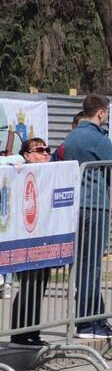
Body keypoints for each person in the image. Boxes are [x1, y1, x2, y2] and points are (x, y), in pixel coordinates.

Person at [61, 93, 112, 339]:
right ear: (101, 113)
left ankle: (92, 318)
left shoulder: (71, 136)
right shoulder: (98, 138)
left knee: (82, 264)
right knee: (92, 265)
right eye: (107, 113)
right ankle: (89, 322)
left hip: (76, 205)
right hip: (95, 205)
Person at [9, 138, 55, 347]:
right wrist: (16, 161)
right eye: (39, 150)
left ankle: (33, 332)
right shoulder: (19, 170)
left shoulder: (51, 173)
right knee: (29, 284)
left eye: (47, 150)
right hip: (25, 238)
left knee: (40, 284)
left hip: (44, 237)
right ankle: (19, 335)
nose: (45, 153)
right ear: (27, 155)